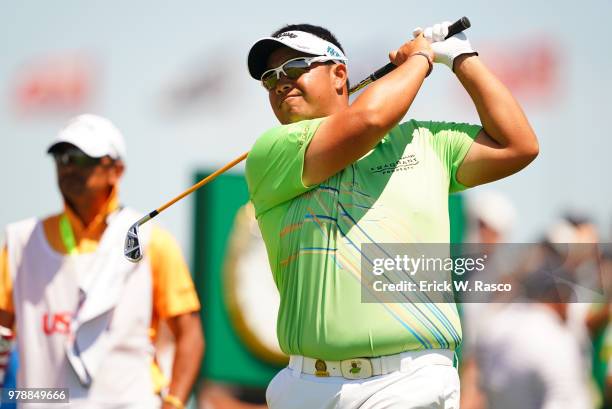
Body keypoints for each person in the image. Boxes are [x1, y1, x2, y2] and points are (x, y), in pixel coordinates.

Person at [244, 21, 539, 408]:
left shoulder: (423, 142)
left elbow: (518, 145)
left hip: (410, 382)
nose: (281, 83)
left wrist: (462, 59)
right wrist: (420, 58)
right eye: (270, 78)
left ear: (339, 75)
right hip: (305, 387)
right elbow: (367, 120)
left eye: (296, 68)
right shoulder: (271, 152)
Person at [0, 114, 204, 409]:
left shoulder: (152, 241)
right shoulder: (21, 242)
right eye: (61, 157)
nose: (69, 166)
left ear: (116, 171)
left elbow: (190, 335)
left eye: (83, 159)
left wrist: (173, 402)